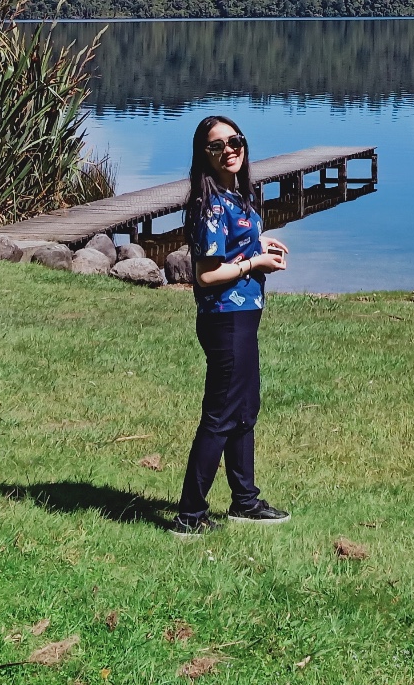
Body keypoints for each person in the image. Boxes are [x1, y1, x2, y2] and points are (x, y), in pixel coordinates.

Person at [171, 114, 292, 535]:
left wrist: (258, 242)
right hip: (225, 321)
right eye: (217, 146)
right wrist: (253, 263)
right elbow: (205, 275)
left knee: (244, 410)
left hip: (243, 318)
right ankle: (189, 517)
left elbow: (231, 245)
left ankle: (245, 501)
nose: (229, 150)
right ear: (204, 156)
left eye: (235, 141)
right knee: (221, 416)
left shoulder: (237, 195)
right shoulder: (209, 204)